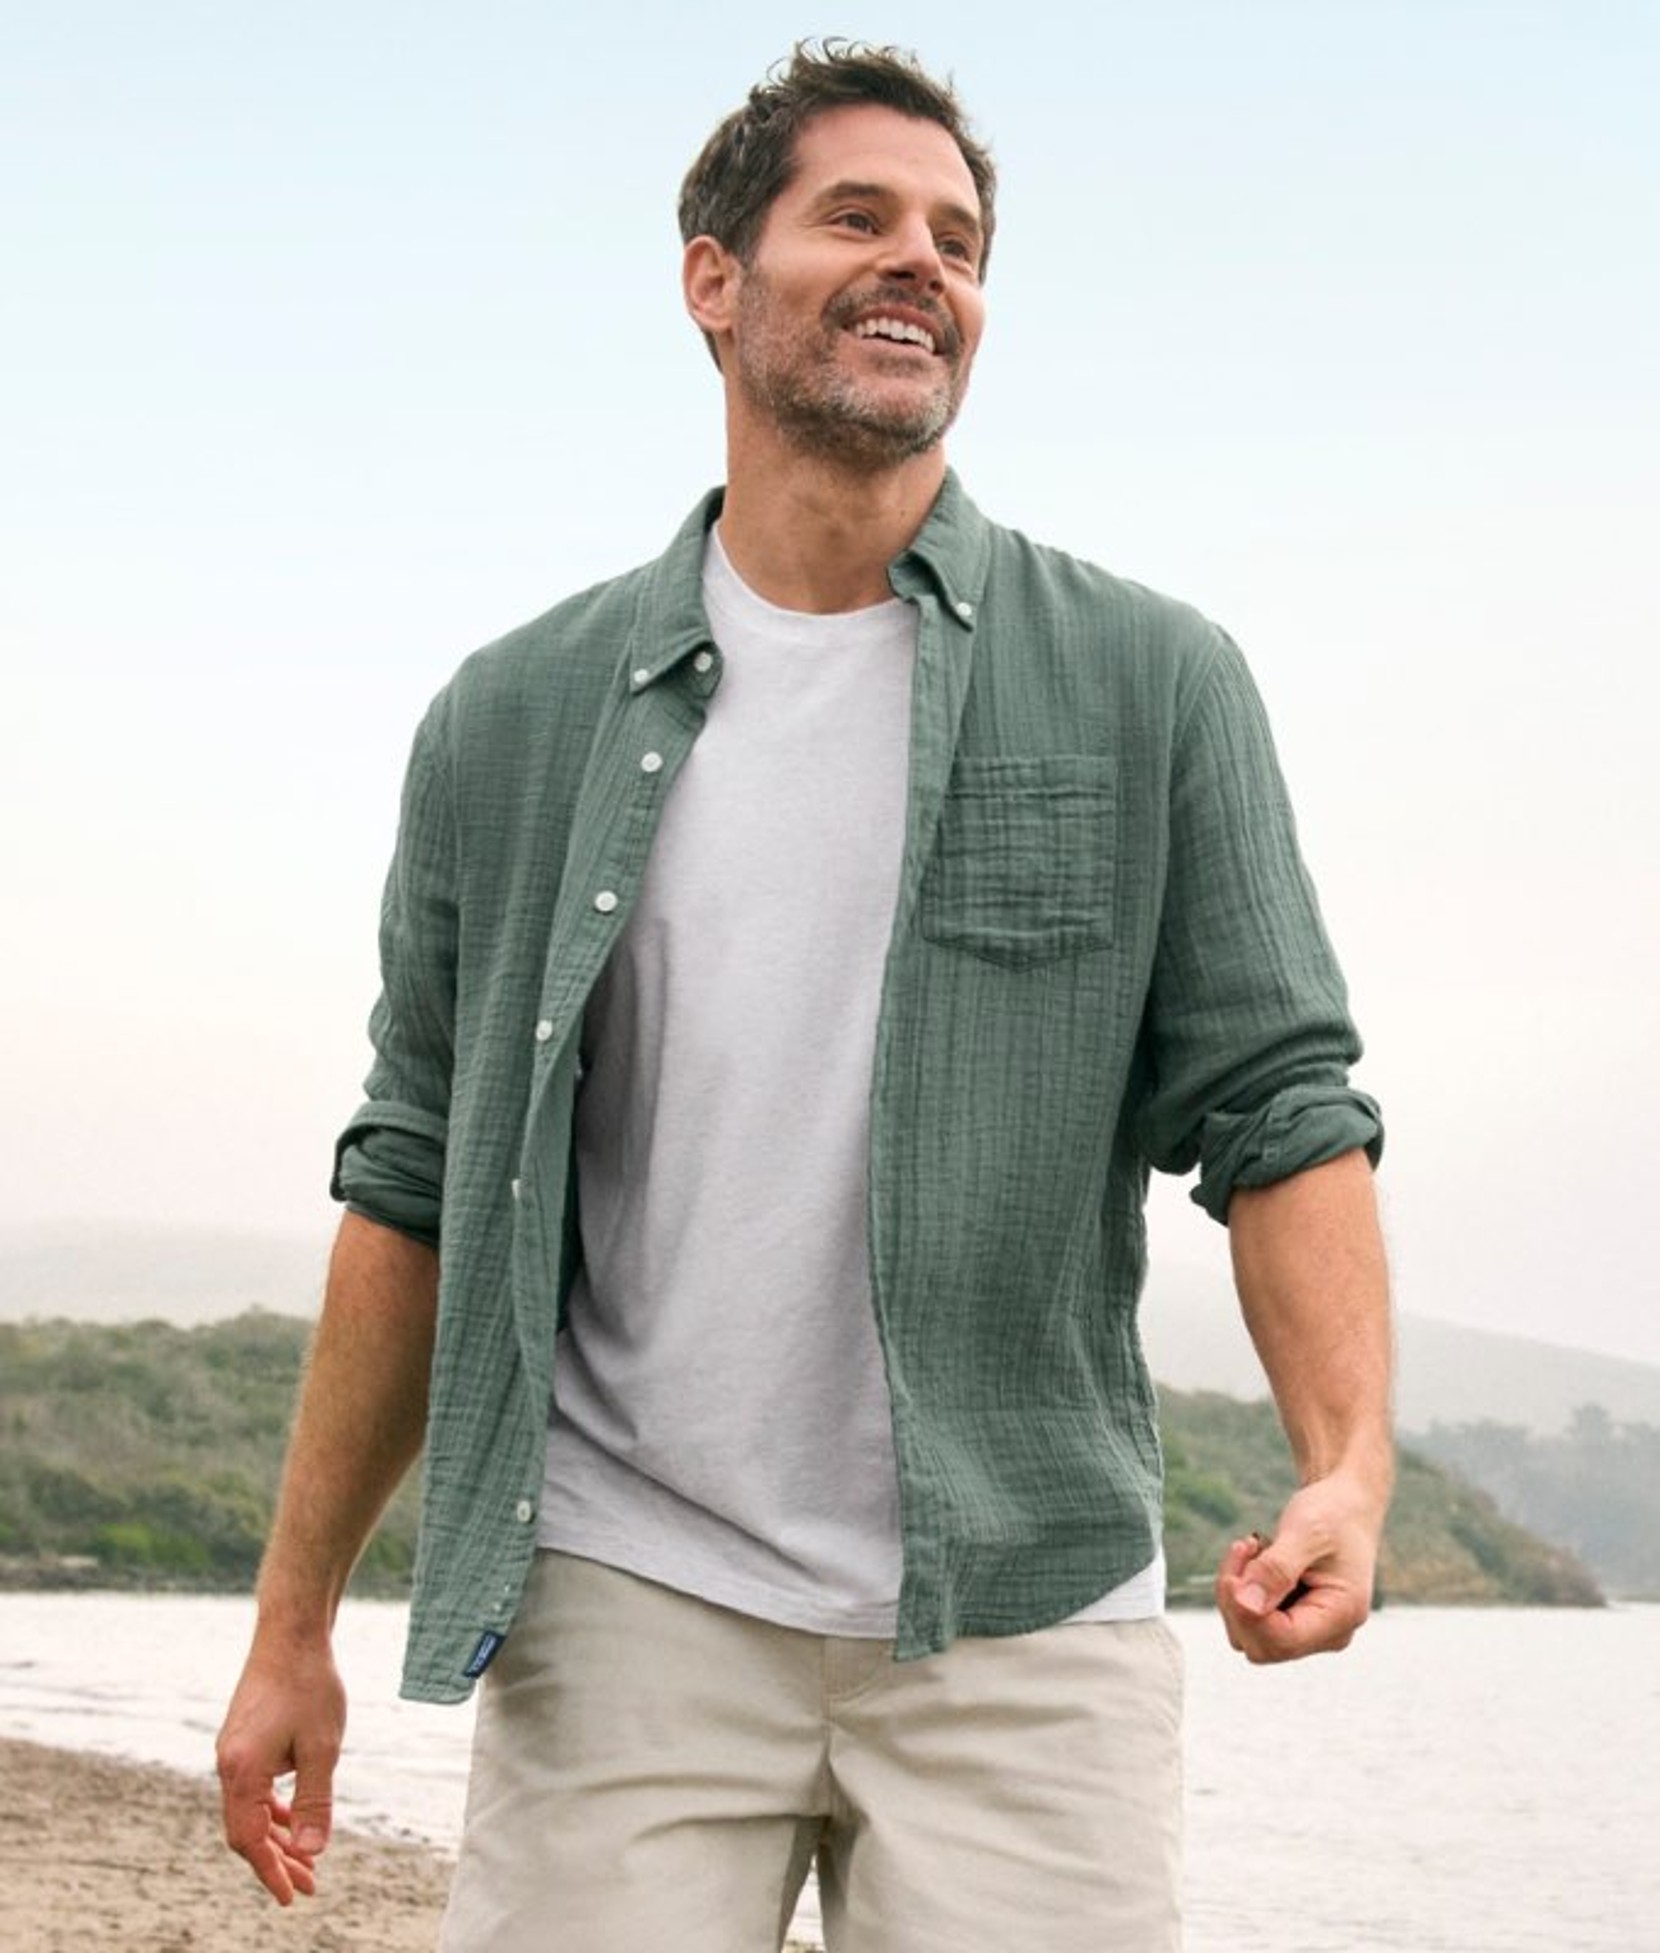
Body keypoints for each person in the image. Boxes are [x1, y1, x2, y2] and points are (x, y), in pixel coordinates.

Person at [216, 39, 1391, 1953]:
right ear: (711, 281)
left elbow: (1282, 1105)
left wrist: (1345, 1460)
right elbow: (413, 1176)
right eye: (857, 215)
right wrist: (291, 1630)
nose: (919, 259)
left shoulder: (1154, 682)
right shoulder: (508, 721)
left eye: (960, 235)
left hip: (1032, 1614)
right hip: (628, 1602)